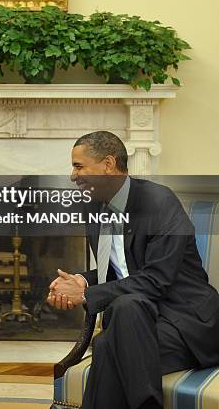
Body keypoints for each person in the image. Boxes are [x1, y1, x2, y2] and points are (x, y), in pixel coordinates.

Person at [47, 131, 219, 409]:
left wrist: (87, 294)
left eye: (79, 166)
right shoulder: (93, 207)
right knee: (124, 315)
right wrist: (80, 281)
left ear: (108, 164)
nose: (73, 176)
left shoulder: (159, 202)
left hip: (184, 322)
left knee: (107, 347)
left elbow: (156, 280)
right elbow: (120, 271)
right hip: (137, 319)